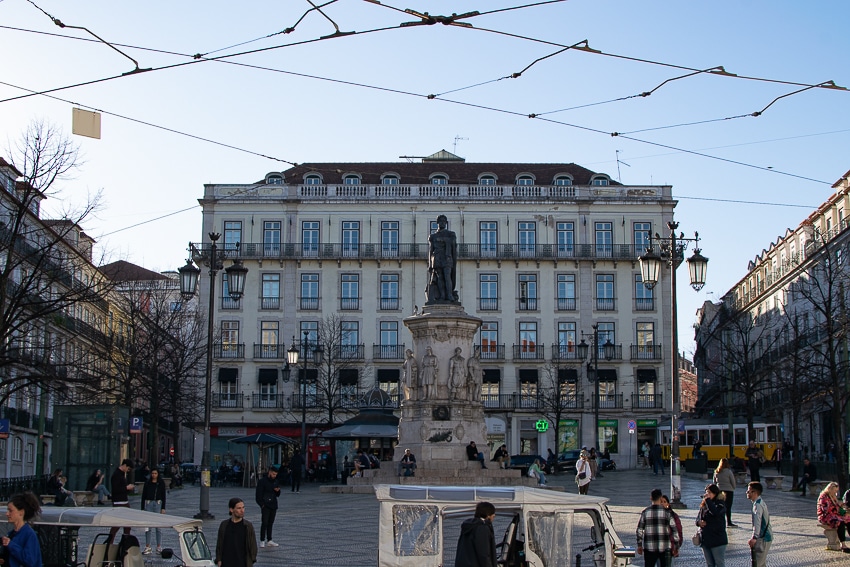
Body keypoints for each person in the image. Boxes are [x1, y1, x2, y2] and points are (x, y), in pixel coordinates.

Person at [636, 488, 680, 567]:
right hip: (665, 547)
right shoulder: (667, 513)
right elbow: (674, 530)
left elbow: (639, 530)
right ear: (660, 498)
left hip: (649, 547)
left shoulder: (645, 512)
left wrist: (639, 545)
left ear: (651, 498)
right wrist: (676, 546)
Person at [2, 492, 43, 567]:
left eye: (10, 511)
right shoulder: (11, 534)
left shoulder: (29, 534)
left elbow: (30, 561)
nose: (7, 514)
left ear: (21, 512)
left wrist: (11, 545)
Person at [215, 498, 258, 567]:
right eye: (239, 508)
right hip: (226, 563)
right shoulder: (224, 525)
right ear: (231, 510)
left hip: (242, 563)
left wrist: (251, 560)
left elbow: (253, 545)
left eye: (243, 508)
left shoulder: (247, 526)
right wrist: (219, 560)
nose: (242, 511)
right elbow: (219, 544)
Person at [426, 214, 458, 304]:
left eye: (444, 221)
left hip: (447, 258)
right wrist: (429, 264)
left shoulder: (451, 234)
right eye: (441, 221)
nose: (442, 223)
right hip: (437, 258)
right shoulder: (433, 237)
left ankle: (449, 295)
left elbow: (453, 243)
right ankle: (442, 295)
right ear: (437, 223)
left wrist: (443, 240)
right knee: (439, 277)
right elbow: (430, 250)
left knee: (447, 276)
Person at [454, 501, 497, 567]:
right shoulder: (482, 528)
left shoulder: (468, 526)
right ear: (488, 515)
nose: (494, 516)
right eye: (493, 514)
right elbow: (483, 553)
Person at [696, 484, 728, 567]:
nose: (707, 495)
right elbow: (698, 517)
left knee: (719, 563)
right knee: (710, 564)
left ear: (715, 493)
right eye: (706, 492)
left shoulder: (720, 504)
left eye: (710, 492)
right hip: (706, 539)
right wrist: (699, 522)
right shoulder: (704, 504)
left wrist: (708, 501)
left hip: (717, 539)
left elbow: (715, 513)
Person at [140, 468, 167, 554]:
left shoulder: (161, 483)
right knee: (148, 526)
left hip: (158, 503)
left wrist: (163, 507)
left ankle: (159, 546)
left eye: (155, 473)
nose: (154, 475)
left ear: (158, 474)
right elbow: (143, 495)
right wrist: (142, 508)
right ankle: (148, 546)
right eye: (152, 473)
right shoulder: (147, 483)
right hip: (149, 503)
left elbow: (163, 495)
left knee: (158, 526)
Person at [817, 482, 850, 552]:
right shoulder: (823, 496)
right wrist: (837, 509)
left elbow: (836, 507)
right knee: (840, 522)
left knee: (848, 519)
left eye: (836, 491)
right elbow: (825, 510)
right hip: (825, 516)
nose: (836, 492)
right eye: (835, 491)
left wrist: (840, 506)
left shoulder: (832, 496)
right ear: (830, 489)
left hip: (834, 514)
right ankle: (843, 544)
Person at [108, 459, 135, 543]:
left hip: (124, 501)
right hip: (118, 502)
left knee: (127, 524)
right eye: (128, 469)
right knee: (117, 524)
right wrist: (126, 488)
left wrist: (127, 488)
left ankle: (125, 541)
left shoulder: (122, 474)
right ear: (125, 465)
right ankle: (110, 541)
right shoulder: (116, 475)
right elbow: (115, 489)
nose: (128, 471)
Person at [746, 482, 772, 567]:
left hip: (763, 538)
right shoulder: (760, 502)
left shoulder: (757, 505)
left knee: (757, 564)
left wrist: (754, 537)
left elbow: (757, 522)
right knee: (761, 564)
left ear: (754, 492)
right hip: (766, 537)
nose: (747, 492)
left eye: (748, 491)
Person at [254, 467, 281, 548]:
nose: (274, 476)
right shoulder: (262, 482)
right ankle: (262, 540)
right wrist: (262, 504)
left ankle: (269, 539)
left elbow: (278, 495)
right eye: (273, 474)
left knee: (270, 523)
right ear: (269, 472)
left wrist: (278, 491)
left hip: (273, 504)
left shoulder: (276, 481)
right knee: (264, 523)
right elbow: (258, 495)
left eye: (276, 475)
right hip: (265, 505)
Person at [713, 458, 737, 527]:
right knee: (728, 507)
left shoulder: (716, 472)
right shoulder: (729, 472)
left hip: (720, 490)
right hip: (729, 490)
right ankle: (729, 522)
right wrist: (733, 487)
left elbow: (714, 482)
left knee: (720, 506)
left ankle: (720, 521)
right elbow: (733, 481)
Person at [659, 494, 682, 564]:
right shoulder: (654, 516)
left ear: (668, 504)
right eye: (660, 502)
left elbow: (679, 532)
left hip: (669, 548)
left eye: (664, 501)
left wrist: (676, 547)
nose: (662, 504)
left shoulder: (673, 516)